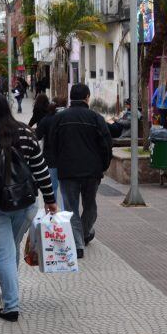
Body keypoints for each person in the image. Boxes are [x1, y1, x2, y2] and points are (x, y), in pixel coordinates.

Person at [0, 92, 58, 323]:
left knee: (4, 252)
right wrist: (50, 200)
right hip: (25, 202)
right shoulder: (25, 132)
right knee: (10, 247)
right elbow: (41, 169)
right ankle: (8, 294)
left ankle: (11, 305)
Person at [50, 84, 113, 259]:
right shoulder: (96, 118)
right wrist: (103, 166)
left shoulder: (60, 118)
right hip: (92, 171)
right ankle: (83, 235)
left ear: (71, 97)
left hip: (68, 171)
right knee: (90, 204)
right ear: (87, 97)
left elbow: (51, 144)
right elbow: (107, 145)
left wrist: (57, 164)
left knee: (71, 208)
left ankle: (78, 242)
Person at [36, 97, 67, 206]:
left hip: (50, 158)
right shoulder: (68, 118)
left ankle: (53, 216)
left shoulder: (47, 119)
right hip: (67, 159)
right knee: (65, 191)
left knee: (52, 188)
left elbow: (37, 136)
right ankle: (65, 215)